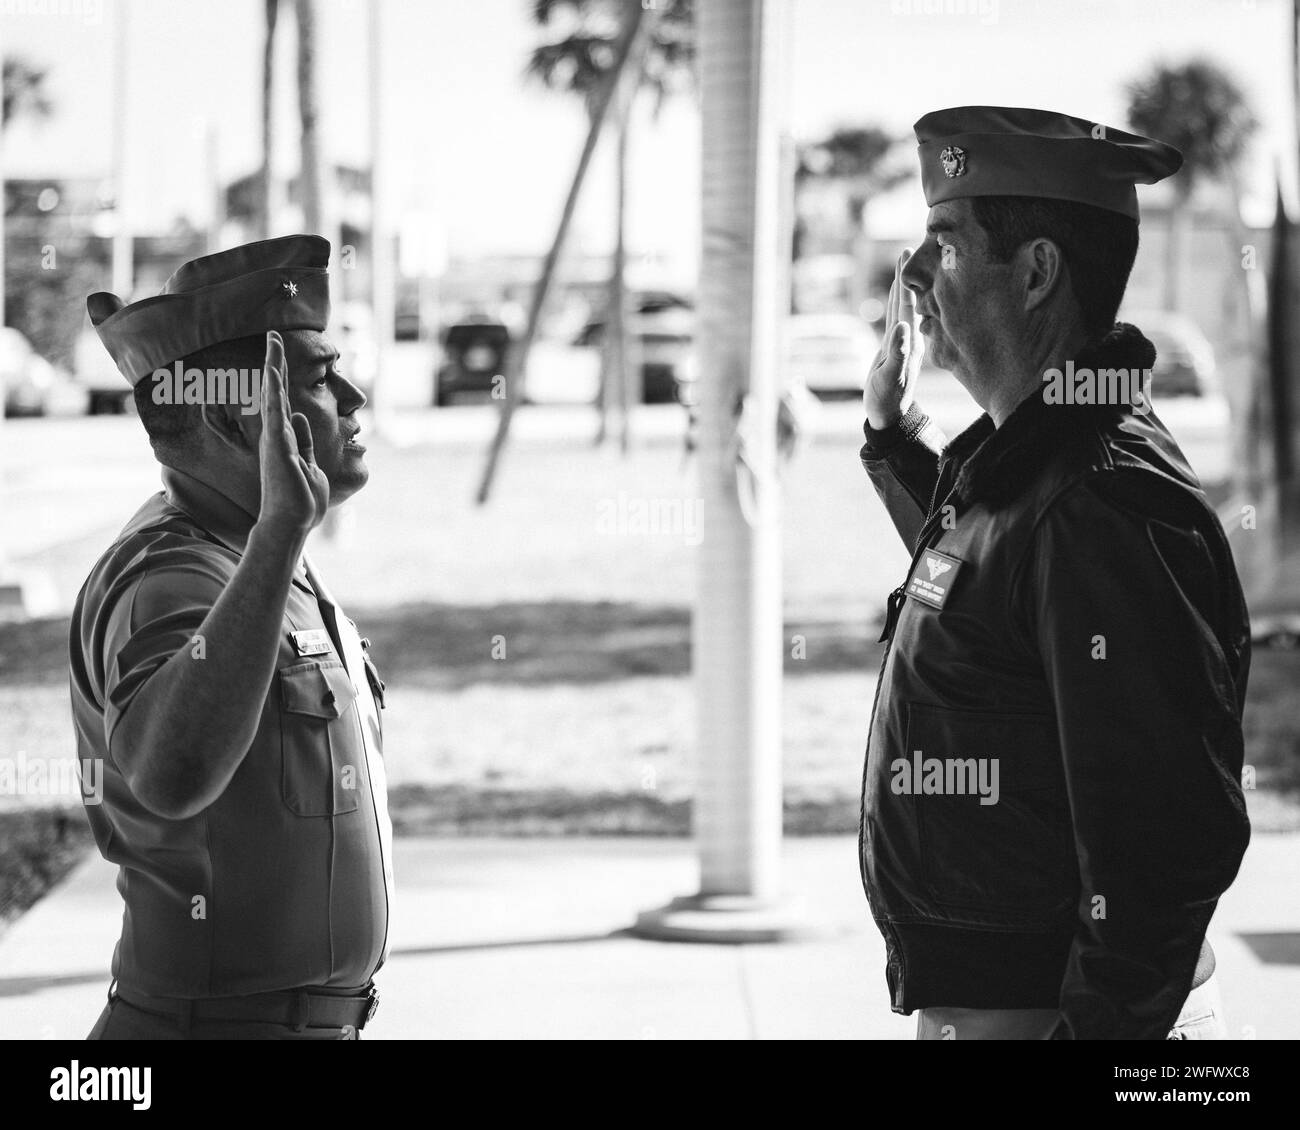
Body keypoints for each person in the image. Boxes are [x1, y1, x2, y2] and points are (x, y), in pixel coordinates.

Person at [857, 106, 1251, 1040]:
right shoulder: (1033, 461)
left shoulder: (1100, 500)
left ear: (1036, 273)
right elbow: (989, 591)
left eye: (944, 246)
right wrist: (892, 440)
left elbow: (1162, 851)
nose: (911, 275)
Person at [71, 234, 393, 1040]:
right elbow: (169, 776)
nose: (354, 399)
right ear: (239, 414)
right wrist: (283, 530)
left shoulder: (246, 554)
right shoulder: (173, 575)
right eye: (323, 379)